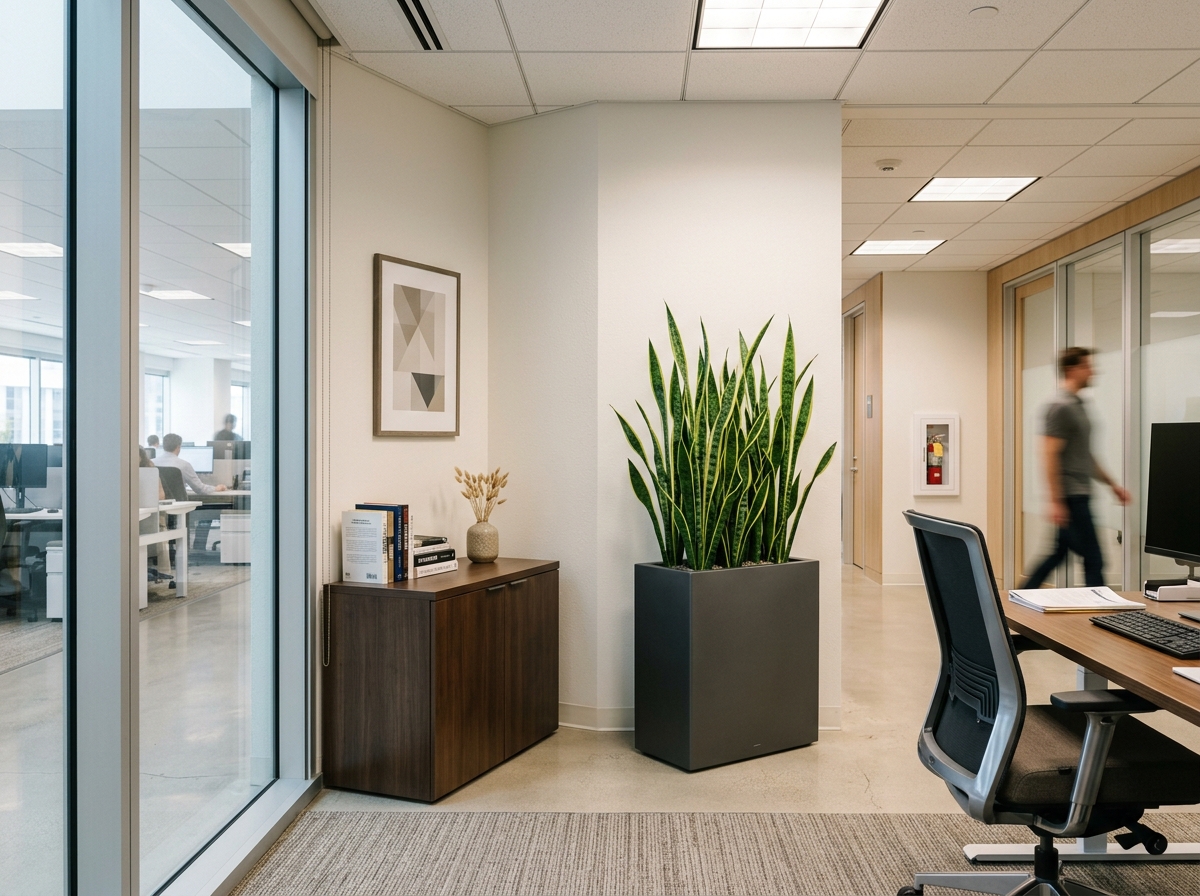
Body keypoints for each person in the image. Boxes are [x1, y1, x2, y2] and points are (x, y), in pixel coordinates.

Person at [1023, 347, 1130, 589]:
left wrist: (1113, 486)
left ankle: (1018, 599)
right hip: (1072, 497)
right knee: (1094, 559)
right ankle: (1102, 612)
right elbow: (1049, 455)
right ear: (1072, 370)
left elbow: (1086, 457)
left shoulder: (1078, 405)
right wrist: (1056, 501)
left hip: (1079, 493)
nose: (1093, 370)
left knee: (1059, 554)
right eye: (1087, 366)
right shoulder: (1060, 406)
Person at [154, 433, 227, 495]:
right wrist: (216, 488)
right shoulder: (184, 465)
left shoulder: (151, 463)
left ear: (163, 446)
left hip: (157, 507)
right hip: (178, 507)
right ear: (178, 447)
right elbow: (200, 489)